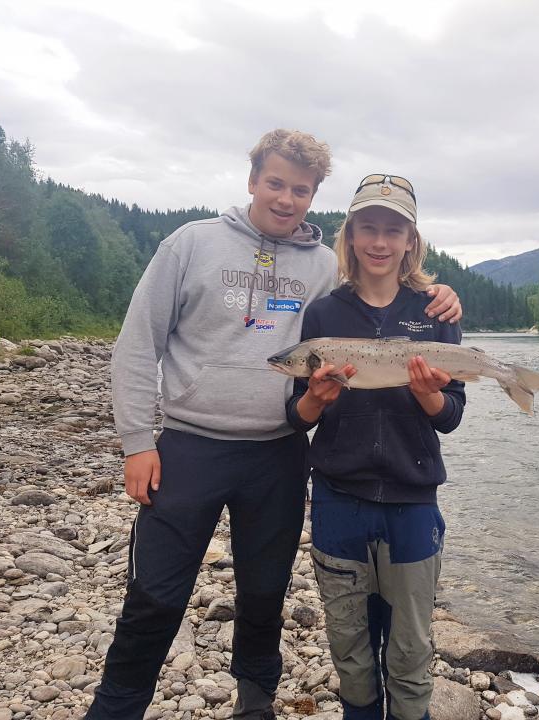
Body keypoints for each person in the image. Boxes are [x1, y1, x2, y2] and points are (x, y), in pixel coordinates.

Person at [88, 133, 462, 720]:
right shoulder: (191, 244)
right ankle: (114, 710)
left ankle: (255, 705)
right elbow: (137, 347)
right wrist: (137, 442)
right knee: (154, 596)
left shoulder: (321, 269)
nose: (287, 199)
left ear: (314, 197)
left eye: (302, 190)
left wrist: (439, 294)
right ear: (253, 180)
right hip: (189, 447)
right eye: (276, 183)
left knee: (264, 595)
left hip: (280, 453)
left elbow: (381, 296)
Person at [286, 174, 466, 720]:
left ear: (411, 239)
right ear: (351, 234)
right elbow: (296, 416)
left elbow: (452, 417)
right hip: (340, 499)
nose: (380, 242)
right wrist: (316, 398)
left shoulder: (437, 312)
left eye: (394, 230)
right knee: (352, 654)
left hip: (413, 502)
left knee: (410, 654)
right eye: (369, 227)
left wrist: (429, 398)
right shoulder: (323, 316)